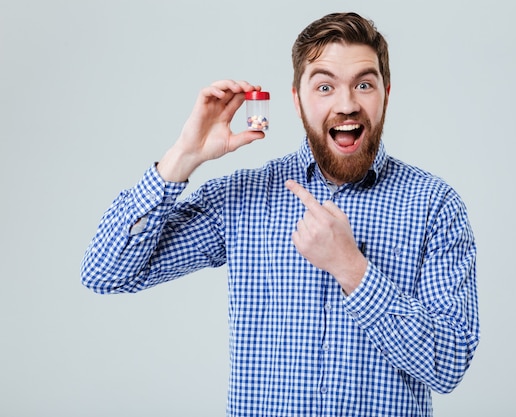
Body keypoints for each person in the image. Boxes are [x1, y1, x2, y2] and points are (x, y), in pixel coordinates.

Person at [81, 11, 479, 417]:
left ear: (386, 94)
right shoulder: (245, 198)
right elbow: (106, 273)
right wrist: (182, 157)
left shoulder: (435, 206)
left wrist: (352, 270)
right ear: (296, 100)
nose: (346, 104)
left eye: (364, 84)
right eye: (324, 86)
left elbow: (448, 366)